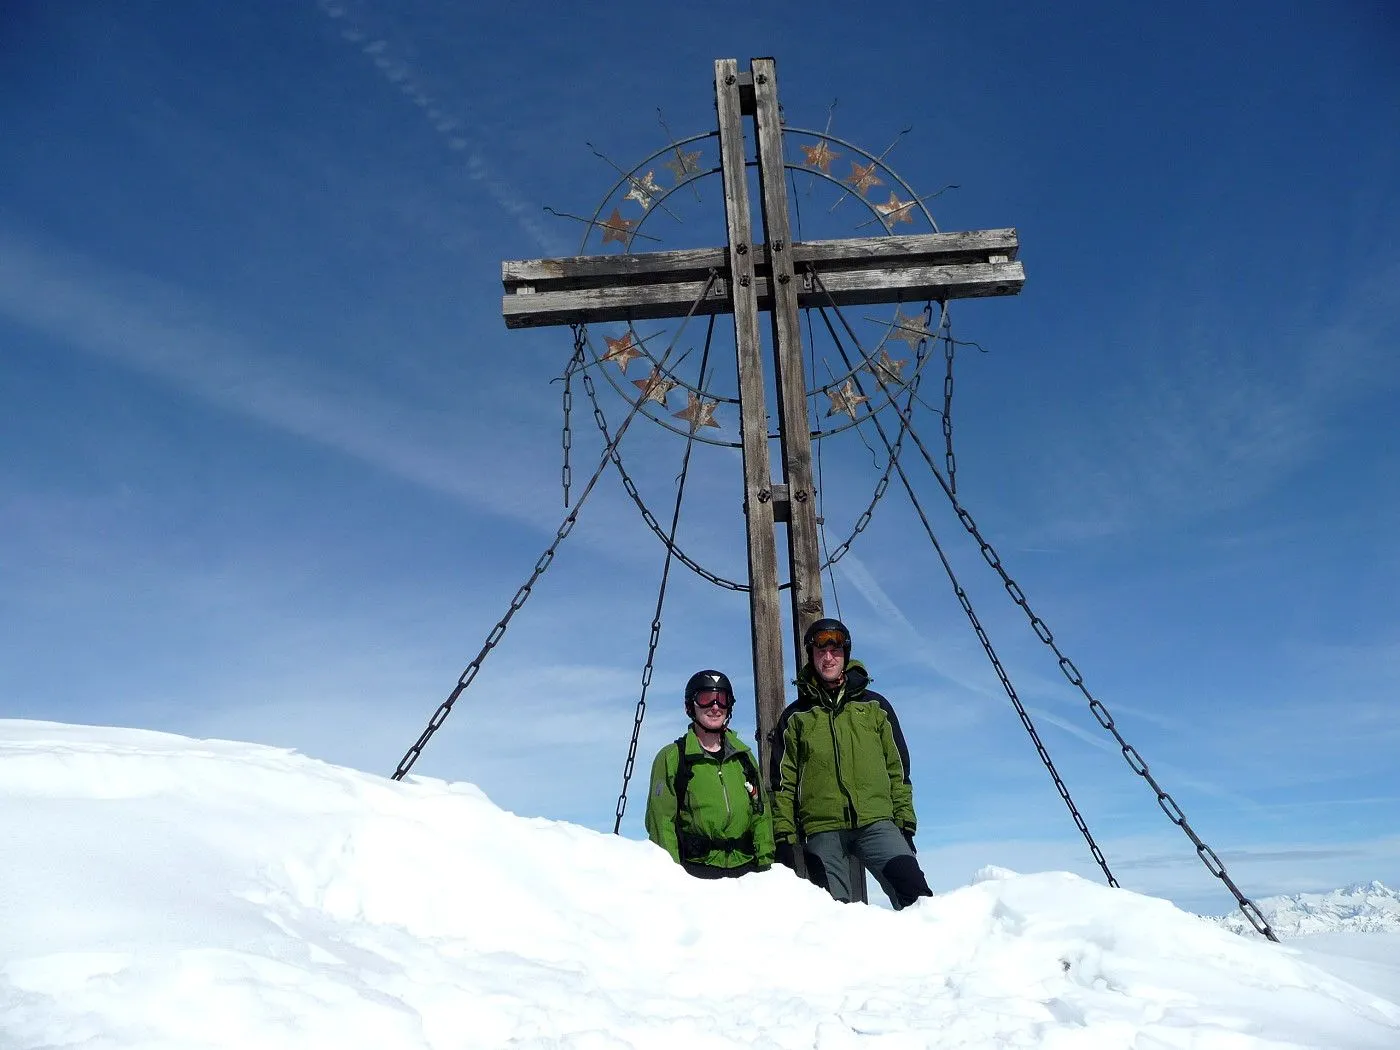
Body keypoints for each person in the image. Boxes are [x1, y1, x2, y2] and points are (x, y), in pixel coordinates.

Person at [770, 618, 933, 909]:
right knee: (831, 913)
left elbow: (898, 770)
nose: (828, 658)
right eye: (820, 651)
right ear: (811, 656)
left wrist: (905, 824)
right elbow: (783, 784)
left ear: (845, 654)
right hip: (822, 828)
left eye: (835, 650)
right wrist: (785, 838)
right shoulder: (795, 717)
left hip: (877, 821)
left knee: (917, 897)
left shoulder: (875, 707)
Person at [644, 669, 776, 879]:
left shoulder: (743, 757)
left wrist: (765, 864)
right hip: (697, 872)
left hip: (746, 870)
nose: (715, 707)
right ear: (691, 706)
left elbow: (761, 813)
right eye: (706, 699)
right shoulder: (673, 758)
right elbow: (661, 821)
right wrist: (672, 876)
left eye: (722, 699)